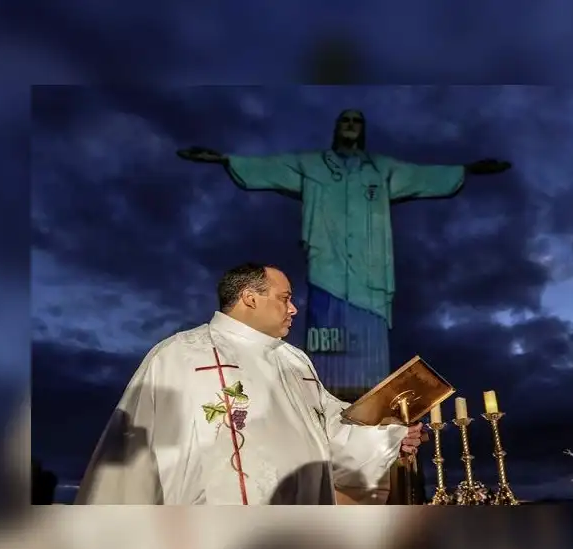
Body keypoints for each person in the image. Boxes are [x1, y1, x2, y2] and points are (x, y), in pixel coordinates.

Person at [177, 110, 510, 400]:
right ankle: (327, 392)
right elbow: (271, 167)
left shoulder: (379, 169)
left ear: (362, 129)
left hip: (371, 271)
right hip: (328, 267)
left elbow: (423, 176)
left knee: (369, 334)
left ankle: (370, 395)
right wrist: (225, 159)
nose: (351, 125)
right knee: (327, 327)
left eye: (357, 121)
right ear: (337, 127)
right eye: (345, 120)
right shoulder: (313, 165)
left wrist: (467, 170)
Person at [75, 263, 424, 505]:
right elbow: (131, 457)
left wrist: (389, 436)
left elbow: (334, 430)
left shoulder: (295, 361)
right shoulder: (181, 355)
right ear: (249, 297)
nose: (294, 310)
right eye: (285, 298)